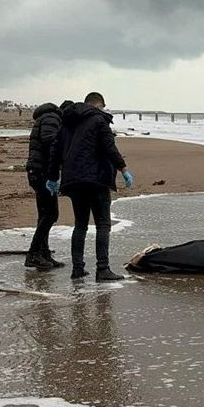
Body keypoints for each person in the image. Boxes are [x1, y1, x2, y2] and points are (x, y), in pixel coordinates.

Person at [48, 92, 133, 281]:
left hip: (73, 181)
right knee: (103, 224)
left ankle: (77, 269)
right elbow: (109, 148)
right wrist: (123, 169)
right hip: (96, 179)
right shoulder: (98, 120)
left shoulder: (66, 122)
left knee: (80, 225)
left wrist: (53, 177)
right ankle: (103, 269)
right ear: (99, 104)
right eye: (103, 107)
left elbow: (55, 151)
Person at [24, 100, 70, 270]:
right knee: (51, 215)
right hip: (42, 172)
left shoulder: (45, 117)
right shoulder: (52, 118)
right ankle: (33, 254)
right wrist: (55, 173)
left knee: (44, 214)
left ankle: (43, 254)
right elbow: (50, 141)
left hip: (37, 171)